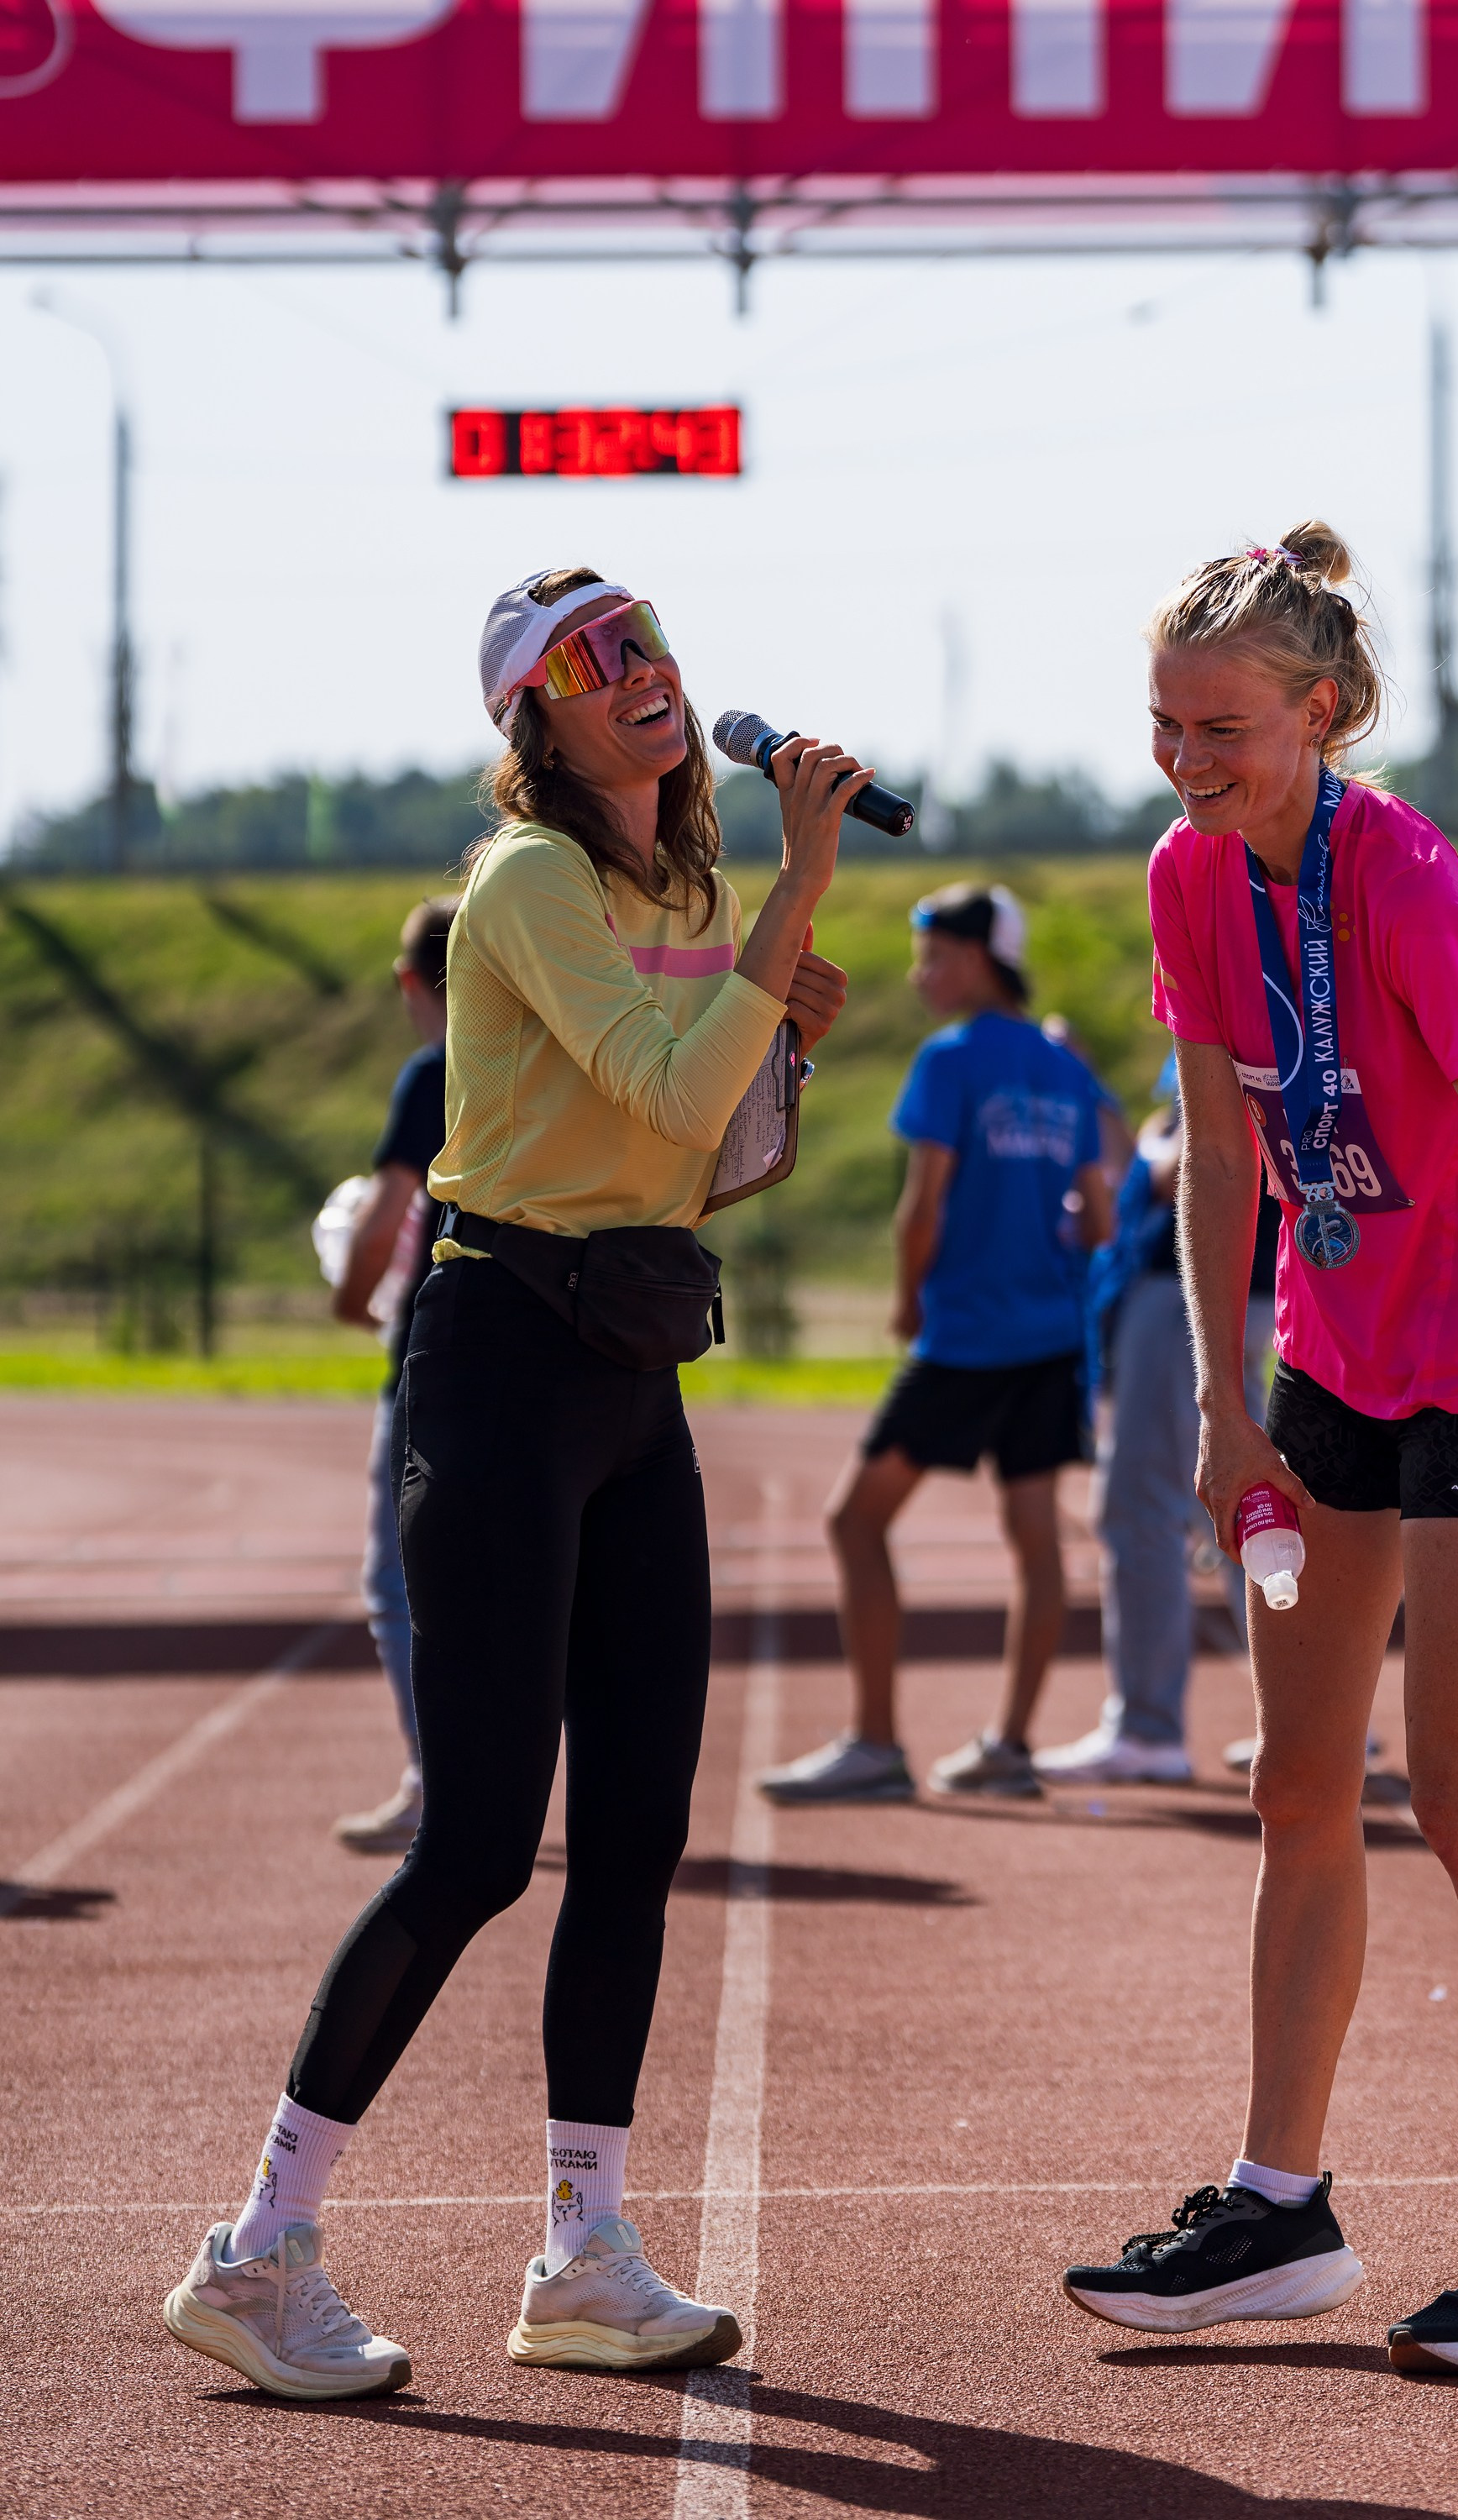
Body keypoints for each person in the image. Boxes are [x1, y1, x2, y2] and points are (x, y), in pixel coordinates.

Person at [160, 564, 855, 2401]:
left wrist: (783, 1025)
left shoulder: (694, 889)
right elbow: (651, 1078)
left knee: (636, 1830)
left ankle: (584, 2249)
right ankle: (258, 2248)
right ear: (532, 721)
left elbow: (705, 1163)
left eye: (645, 640)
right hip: (497, 1359)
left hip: (633, 1366)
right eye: (588, 660)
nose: (637, 670)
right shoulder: (532, 880)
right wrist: (792, 915)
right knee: (477, 1839)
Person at [1060, 528, 1458, 2379]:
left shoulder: (1409, 887)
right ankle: (1280, 2205)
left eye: (1226, 729)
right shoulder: (1195, 878)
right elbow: (1211, 1157)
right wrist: (1222, 1399)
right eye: (1167, 726)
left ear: (1322, 713)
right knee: (1296, 1789)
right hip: (1331, 1364)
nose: (1188, 761)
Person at [759, 884, 1114, 1805]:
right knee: (1036, 1539)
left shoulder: (951, 1059)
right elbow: (1100, 1215)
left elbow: (921, 1208)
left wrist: (909, 1299)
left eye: (934, 956)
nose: (921, 975)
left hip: (967, 1335)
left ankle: (876, 1741)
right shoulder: (1063, 1067)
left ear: (979, 959)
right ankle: (1011, 1744)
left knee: (854, 1521)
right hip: (1050, 1336)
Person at [1035, 1062, 1277, 1786]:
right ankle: (1316, 1717)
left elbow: (1185, 1165)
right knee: (1244, 1506)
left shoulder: (1231, 1027)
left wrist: (1138, 1131)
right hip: (1215, 1296)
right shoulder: (1279, 1018)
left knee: (1143, 1507)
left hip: (1187, 1300)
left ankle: (1148, 1728)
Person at [330, 896, 457, 1856]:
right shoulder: (563, 1045)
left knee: (398, 1577)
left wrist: (349, 1297)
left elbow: (385, 1222)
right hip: (556, 1341)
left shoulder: (436, 1070)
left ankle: (434, 1782)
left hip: (433, 1351)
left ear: (414, 984)